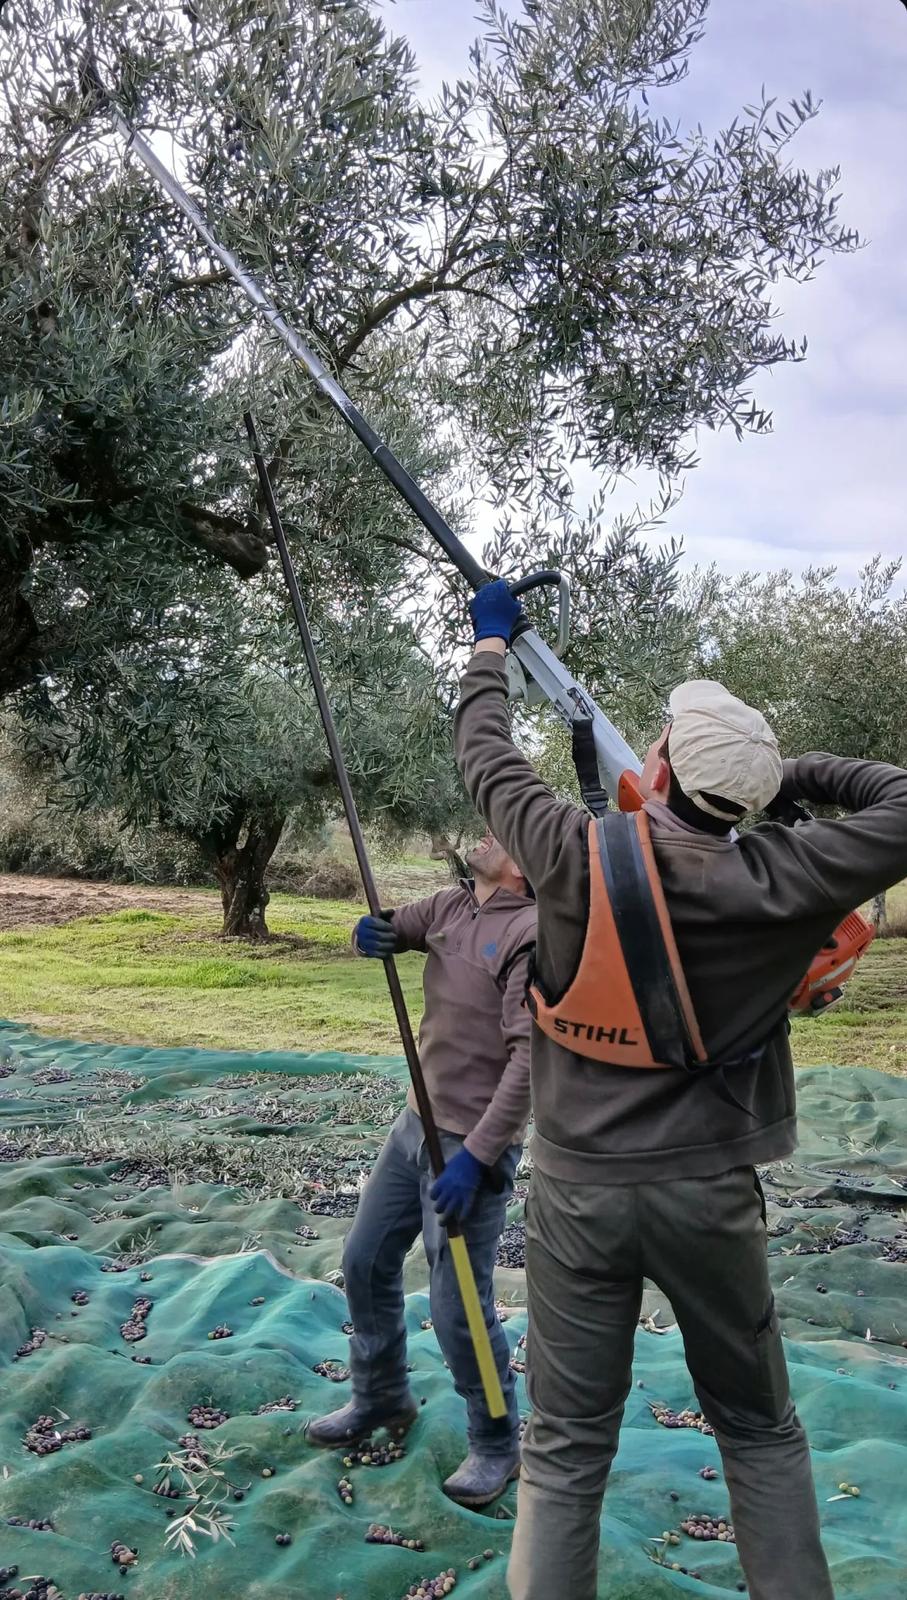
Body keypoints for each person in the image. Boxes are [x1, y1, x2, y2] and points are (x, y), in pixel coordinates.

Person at [452, 578, 907, 1600]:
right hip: (711, 1195)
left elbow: (485, 755)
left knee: (565, 1447)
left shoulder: (568, 853)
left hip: (578, 1194)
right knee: (758, 1430)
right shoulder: (791, 877)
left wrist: (488, 653)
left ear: (657, 764)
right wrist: (786, 775)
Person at [306, 831, 536, 1508]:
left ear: (527, 866)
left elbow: (529, 1062)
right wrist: (366, 934)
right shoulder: (449, 904)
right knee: (364, 1260)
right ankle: (380, 1395)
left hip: (470, 1147)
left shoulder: (530, 934)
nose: (485, 831)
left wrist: (479, 1156)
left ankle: (497, 1439)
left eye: (504, 830)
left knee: (458, 1303)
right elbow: (391, 927)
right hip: (414, 1125)